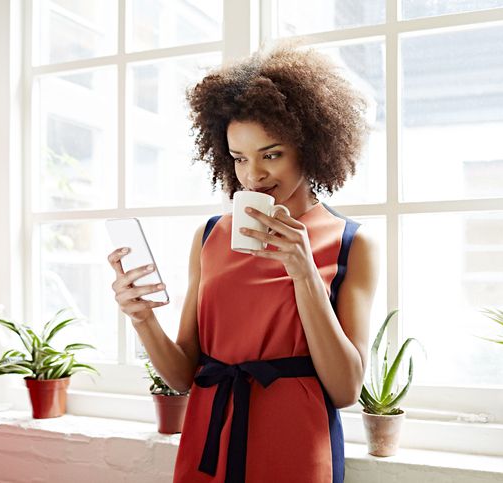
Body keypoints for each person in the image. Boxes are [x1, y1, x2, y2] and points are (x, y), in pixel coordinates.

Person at [107, 43, 379, 483]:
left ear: (310, 147)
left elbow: (346, 389)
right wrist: (141, 318)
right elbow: (181, 377)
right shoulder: (210, 236)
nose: (253, 176)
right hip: (209, 438)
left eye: (271, 154)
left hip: (295, 445)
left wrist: (304, 271)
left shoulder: (352, 243)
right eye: (238, 159)